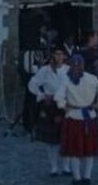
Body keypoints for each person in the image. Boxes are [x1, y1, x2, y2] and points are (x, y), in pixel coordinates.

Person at [56, 53, 98, 185]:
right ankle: (87, 177)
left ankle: (77, 178)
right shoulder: (92, 79)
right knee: (89, 149)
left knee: (74, 150)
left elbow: (58, 98)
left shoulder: (66, 80)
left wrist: (64, 106)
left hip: (74, 116)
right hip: (89, 116)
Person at [29, 47, 71, 176]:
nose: (58, 57)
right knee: (50, 139)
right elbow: (32, 84)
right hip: (49, 105)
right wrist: (42, 95)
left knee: (66, 136)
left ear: (64, 56)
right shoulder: (44, 70)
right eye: (56, 54)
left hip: (64, 105)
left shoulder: (67, 70)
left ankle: (66, 166)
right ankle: (53, 166)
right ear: (52, 55)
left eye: (61, 54)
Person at [21, 40, 47, 137]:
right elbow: (28, 68)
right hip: (31, 80)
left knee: (39, 103)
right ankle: (29, 125)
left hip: (39, 80)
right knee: (30, 104)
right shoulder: (28, 54)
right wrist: (39, 67)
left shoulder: (39, 53)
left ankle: (38, 124)